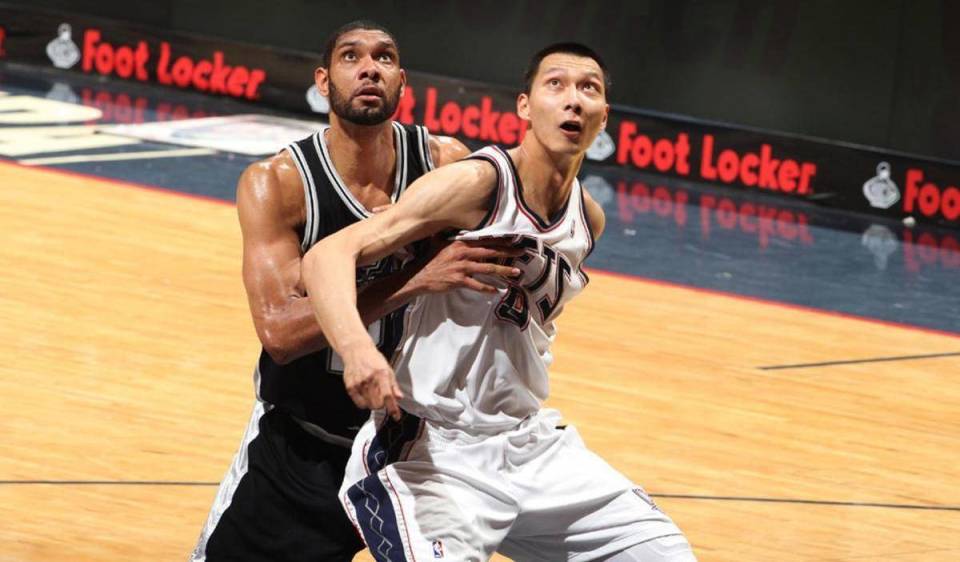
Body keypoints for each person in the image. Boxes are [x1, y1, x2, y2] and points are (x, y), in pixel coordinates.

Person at [301, 42, 697, 562]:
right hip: (433, 449)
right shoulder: (478, 183)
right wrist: (357, 350)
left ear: (604, 117)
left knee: (666, 554)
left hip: (531, 445)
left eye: (589, 89)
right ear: (525, 107)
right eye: (555, 84)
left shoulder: (588, 218)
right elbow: (328, 255)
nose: (573, 100)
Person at [190, 20, 521, 562]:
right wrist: (414, 279)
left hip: (416, 454)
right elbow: (280, 334)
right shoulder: (279, 184)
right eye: (351, 57)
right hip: (306, 445)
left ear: (402, 82)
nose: (369, 68)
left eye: (384, 57)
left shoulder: (444, 165)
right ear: (323, 81)